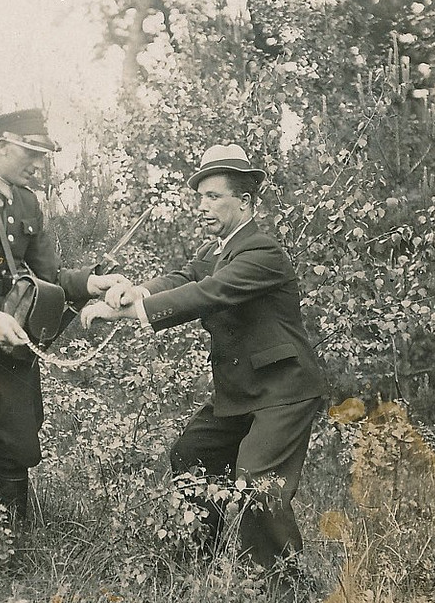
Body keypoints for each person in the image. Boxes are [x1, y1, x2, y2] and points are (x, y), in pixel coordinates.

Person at [82, 144, 326, 574]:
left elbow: (207, 293)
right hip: (241, 391)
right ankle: (198, 563)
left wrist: (125, 311)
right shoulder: (217, 252)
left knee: (257, 486)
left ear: (245, 201)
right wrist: (138, 291)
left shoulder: (261, 251)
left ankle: (280, 596)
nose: (202, 206)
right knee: (192, 452)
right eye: (199, 197)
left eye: (213, 196)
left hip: (282, 392)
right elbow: (187, 277)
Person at [0, 108, 127, 525]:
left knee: (17, 446)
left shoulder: (28, 202)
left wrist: (91, 284)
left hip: (15, 345)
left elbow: (47, 276)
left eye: (43, 155)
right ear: (1, 146)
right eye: (30, 153)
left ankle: (12, 547)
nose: (38, 165)